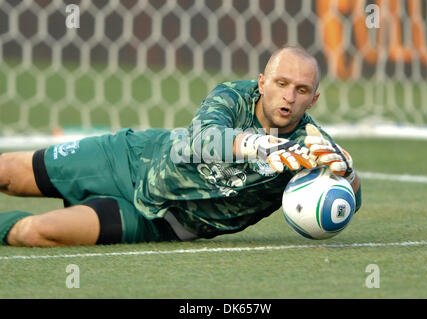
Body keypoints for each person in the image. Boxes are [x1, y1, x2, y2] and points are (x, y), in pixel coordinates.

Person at [0, 46, 361, 247]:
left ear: (312, 100)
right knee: (8, 173)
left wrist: (346, 171)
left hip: (158, 223)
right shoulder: (234, 95)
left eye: (300, 90)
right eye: (281, 83)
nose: (288, 96)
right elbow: (201, 140)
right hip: (132, 158)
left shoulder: (310, 145)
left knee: (35, 232)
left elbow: (347, 200)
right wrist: (264, 148)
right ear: (262, 82)